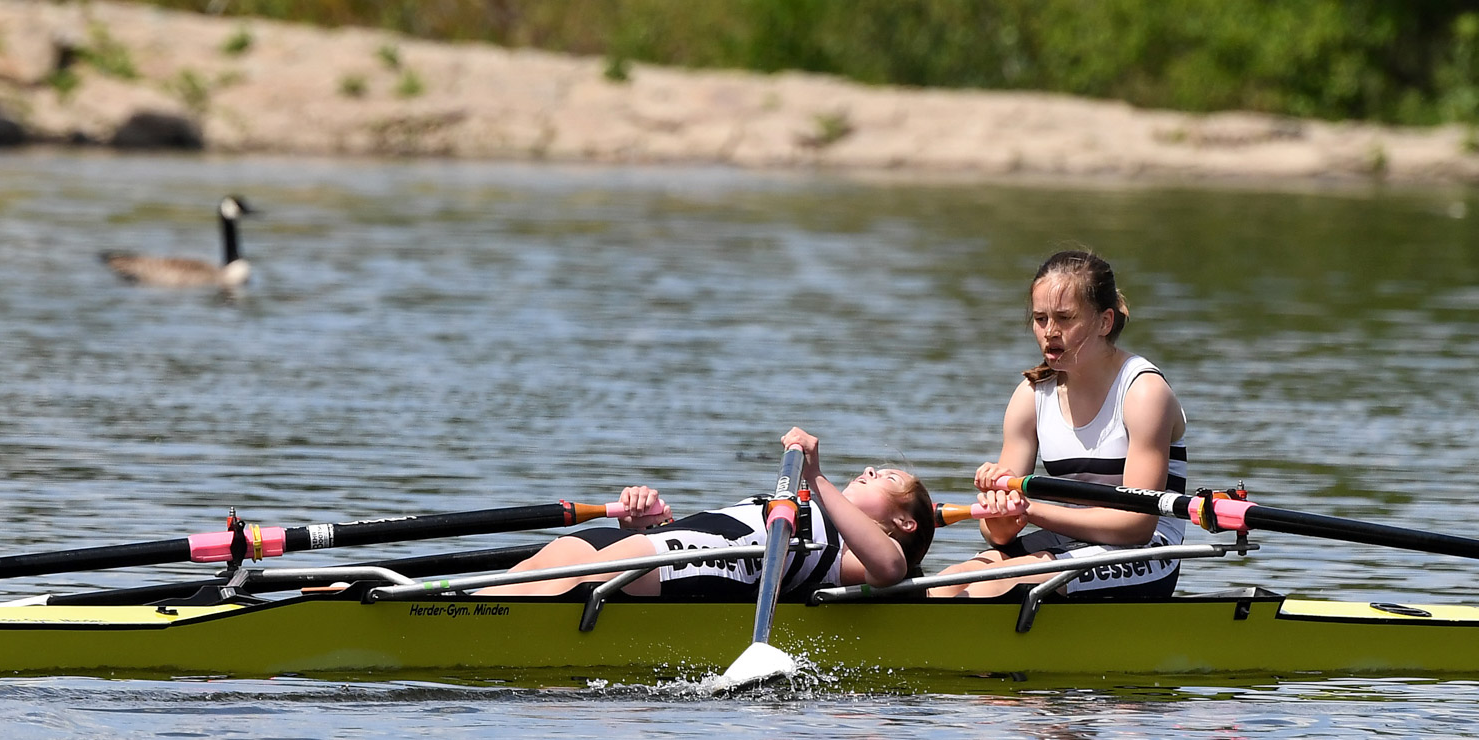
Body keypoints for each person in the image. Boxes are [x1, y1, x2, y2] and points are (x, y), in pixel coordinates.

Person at [931, 250, 1189, 600]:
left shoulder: (1144, 393)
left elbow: (1136, 526)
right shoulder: (1030, 396)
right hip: (1069, 540)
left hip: (1150, 552)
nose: (1050, 332)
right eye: (1040, 319)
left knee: (994, 585)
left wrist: (1031, 509)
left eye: (1065, 318)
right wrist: (1002, 513)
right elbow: (997, 536)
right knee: (948, 582)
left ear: (1104, 322)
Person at [490, 428, 935, 598]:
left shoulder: (851, 552)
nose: (871, 469)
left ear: (903, 523)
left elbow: (891, 567)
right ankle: (448, 613)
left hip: (707, 564)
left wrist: (815, 475)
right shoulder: (807, 505)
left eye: (888, 479)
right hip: (667, 543)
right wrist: (651, 521)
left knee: (560, 586)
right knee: (536, 567)